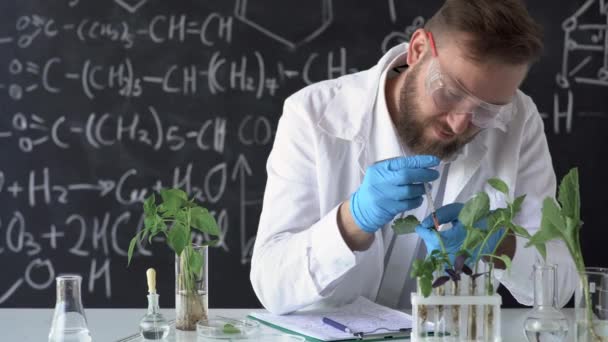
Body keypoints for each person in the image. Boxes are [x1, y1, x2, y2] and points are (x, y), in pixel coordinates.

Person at [250, 0, 577, 315]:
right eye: (449, 92)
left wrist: (497, 244)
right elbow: (271, 285)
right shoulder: (312, 115)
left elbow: (561, 286)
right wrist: (353, 220)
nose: (460, 123)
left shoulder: (518, 119)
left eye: (485, 110)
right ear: (418, 49)